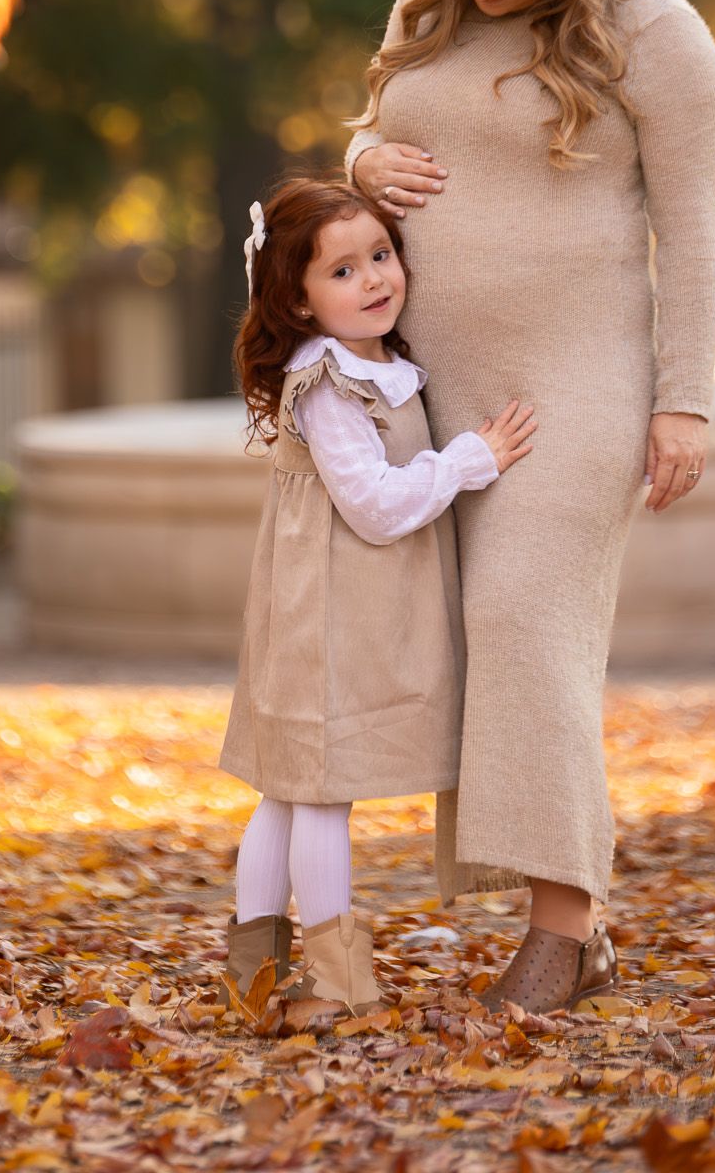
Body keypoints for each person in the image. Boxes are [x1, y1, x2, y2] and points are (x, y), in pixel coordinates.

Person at [346, 0, 715, 1016]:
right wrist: (361, 162)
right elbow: (372, 121)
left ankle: (560, 928)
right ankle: (583, 922)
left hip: (578, 379)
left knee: (526, 617)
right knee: (473, 633)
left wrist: (686, 403)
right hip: (432, 383)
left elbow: (698, 232)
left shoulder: (659, 35)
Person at [218, 175, 537, 1013]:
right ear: (295, 300)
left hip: (333, 608)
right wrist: (471, 458)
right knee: (316, 790)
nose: (374, 280)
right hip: (324, 617)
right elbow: (374, 503)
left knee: (291, 790)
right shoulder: (327, 385)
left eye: (381, 256)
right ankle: (332, 982)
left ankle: (258, 982)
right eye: (343, 272)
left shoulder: (377, 363)